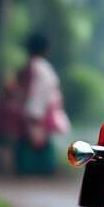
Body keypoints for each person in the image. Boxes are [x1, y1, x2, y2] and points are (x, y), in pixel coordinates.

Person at [14, 32, 70, 175]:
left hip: (35, 108)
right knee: (38, 140)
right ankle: (42, 169)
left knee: (31, 141)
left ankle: (29, 169)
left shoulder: (32, 66)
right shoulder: (45, 67)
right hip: (44, 108)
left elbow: (28, 89)